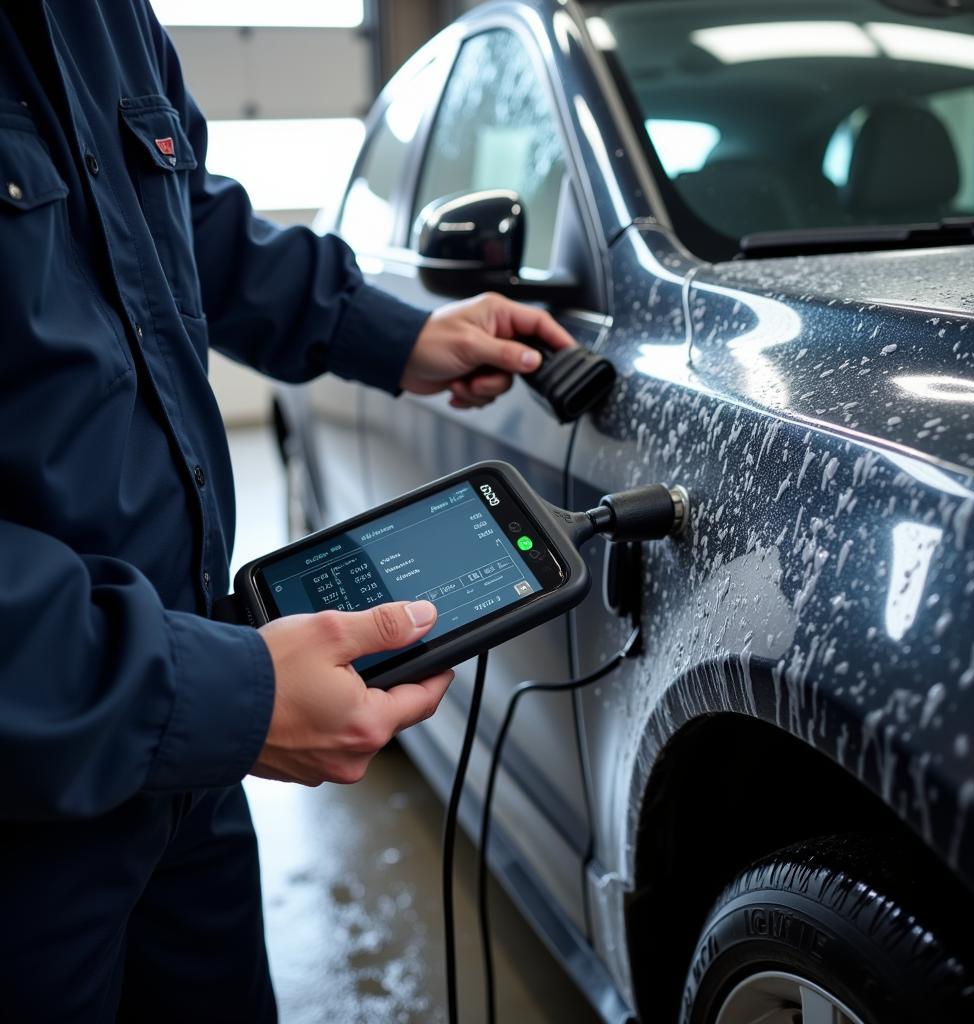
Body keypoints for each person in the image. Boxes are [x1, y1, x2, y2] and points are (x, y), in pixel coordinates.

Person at [0, 2, 574, 1020]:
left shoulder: (106, 18)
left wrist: (392, 335)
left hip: (190, 747)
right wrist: (211, 694)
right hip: (39, 795)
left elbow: (186, 224)